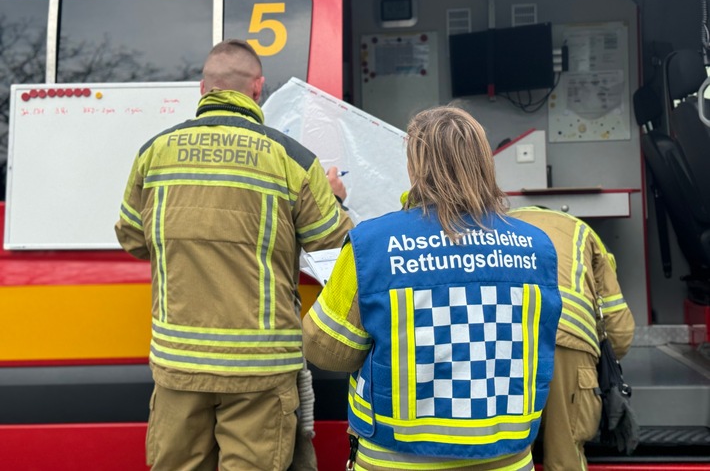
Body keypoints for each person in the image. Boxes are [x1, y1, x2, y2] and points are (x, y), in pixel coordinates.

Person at [115, 38, 353, 470]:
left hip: (179, 364)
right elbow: (336, 247)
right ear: (257, 88)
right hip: (260, 370)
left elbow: (132, 237)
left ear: (203, 89)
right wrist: (335, 200)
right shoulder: (293, 160)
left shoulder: (154, 153)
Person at [302, 106, 562, 471]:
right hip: (506, 459)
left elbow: (325, 349)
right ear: (484, 163)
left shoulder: (372, 245)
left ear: (415, 166)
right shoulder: (536, 247)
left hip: (395, 460)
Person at [508, 206, 635, 471]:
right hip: (570, 346)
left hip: (507, 343)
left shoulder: (497, 226)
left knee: (508, 455)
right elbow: (620, 330)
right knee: (565, 453)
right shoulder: (583, 233)